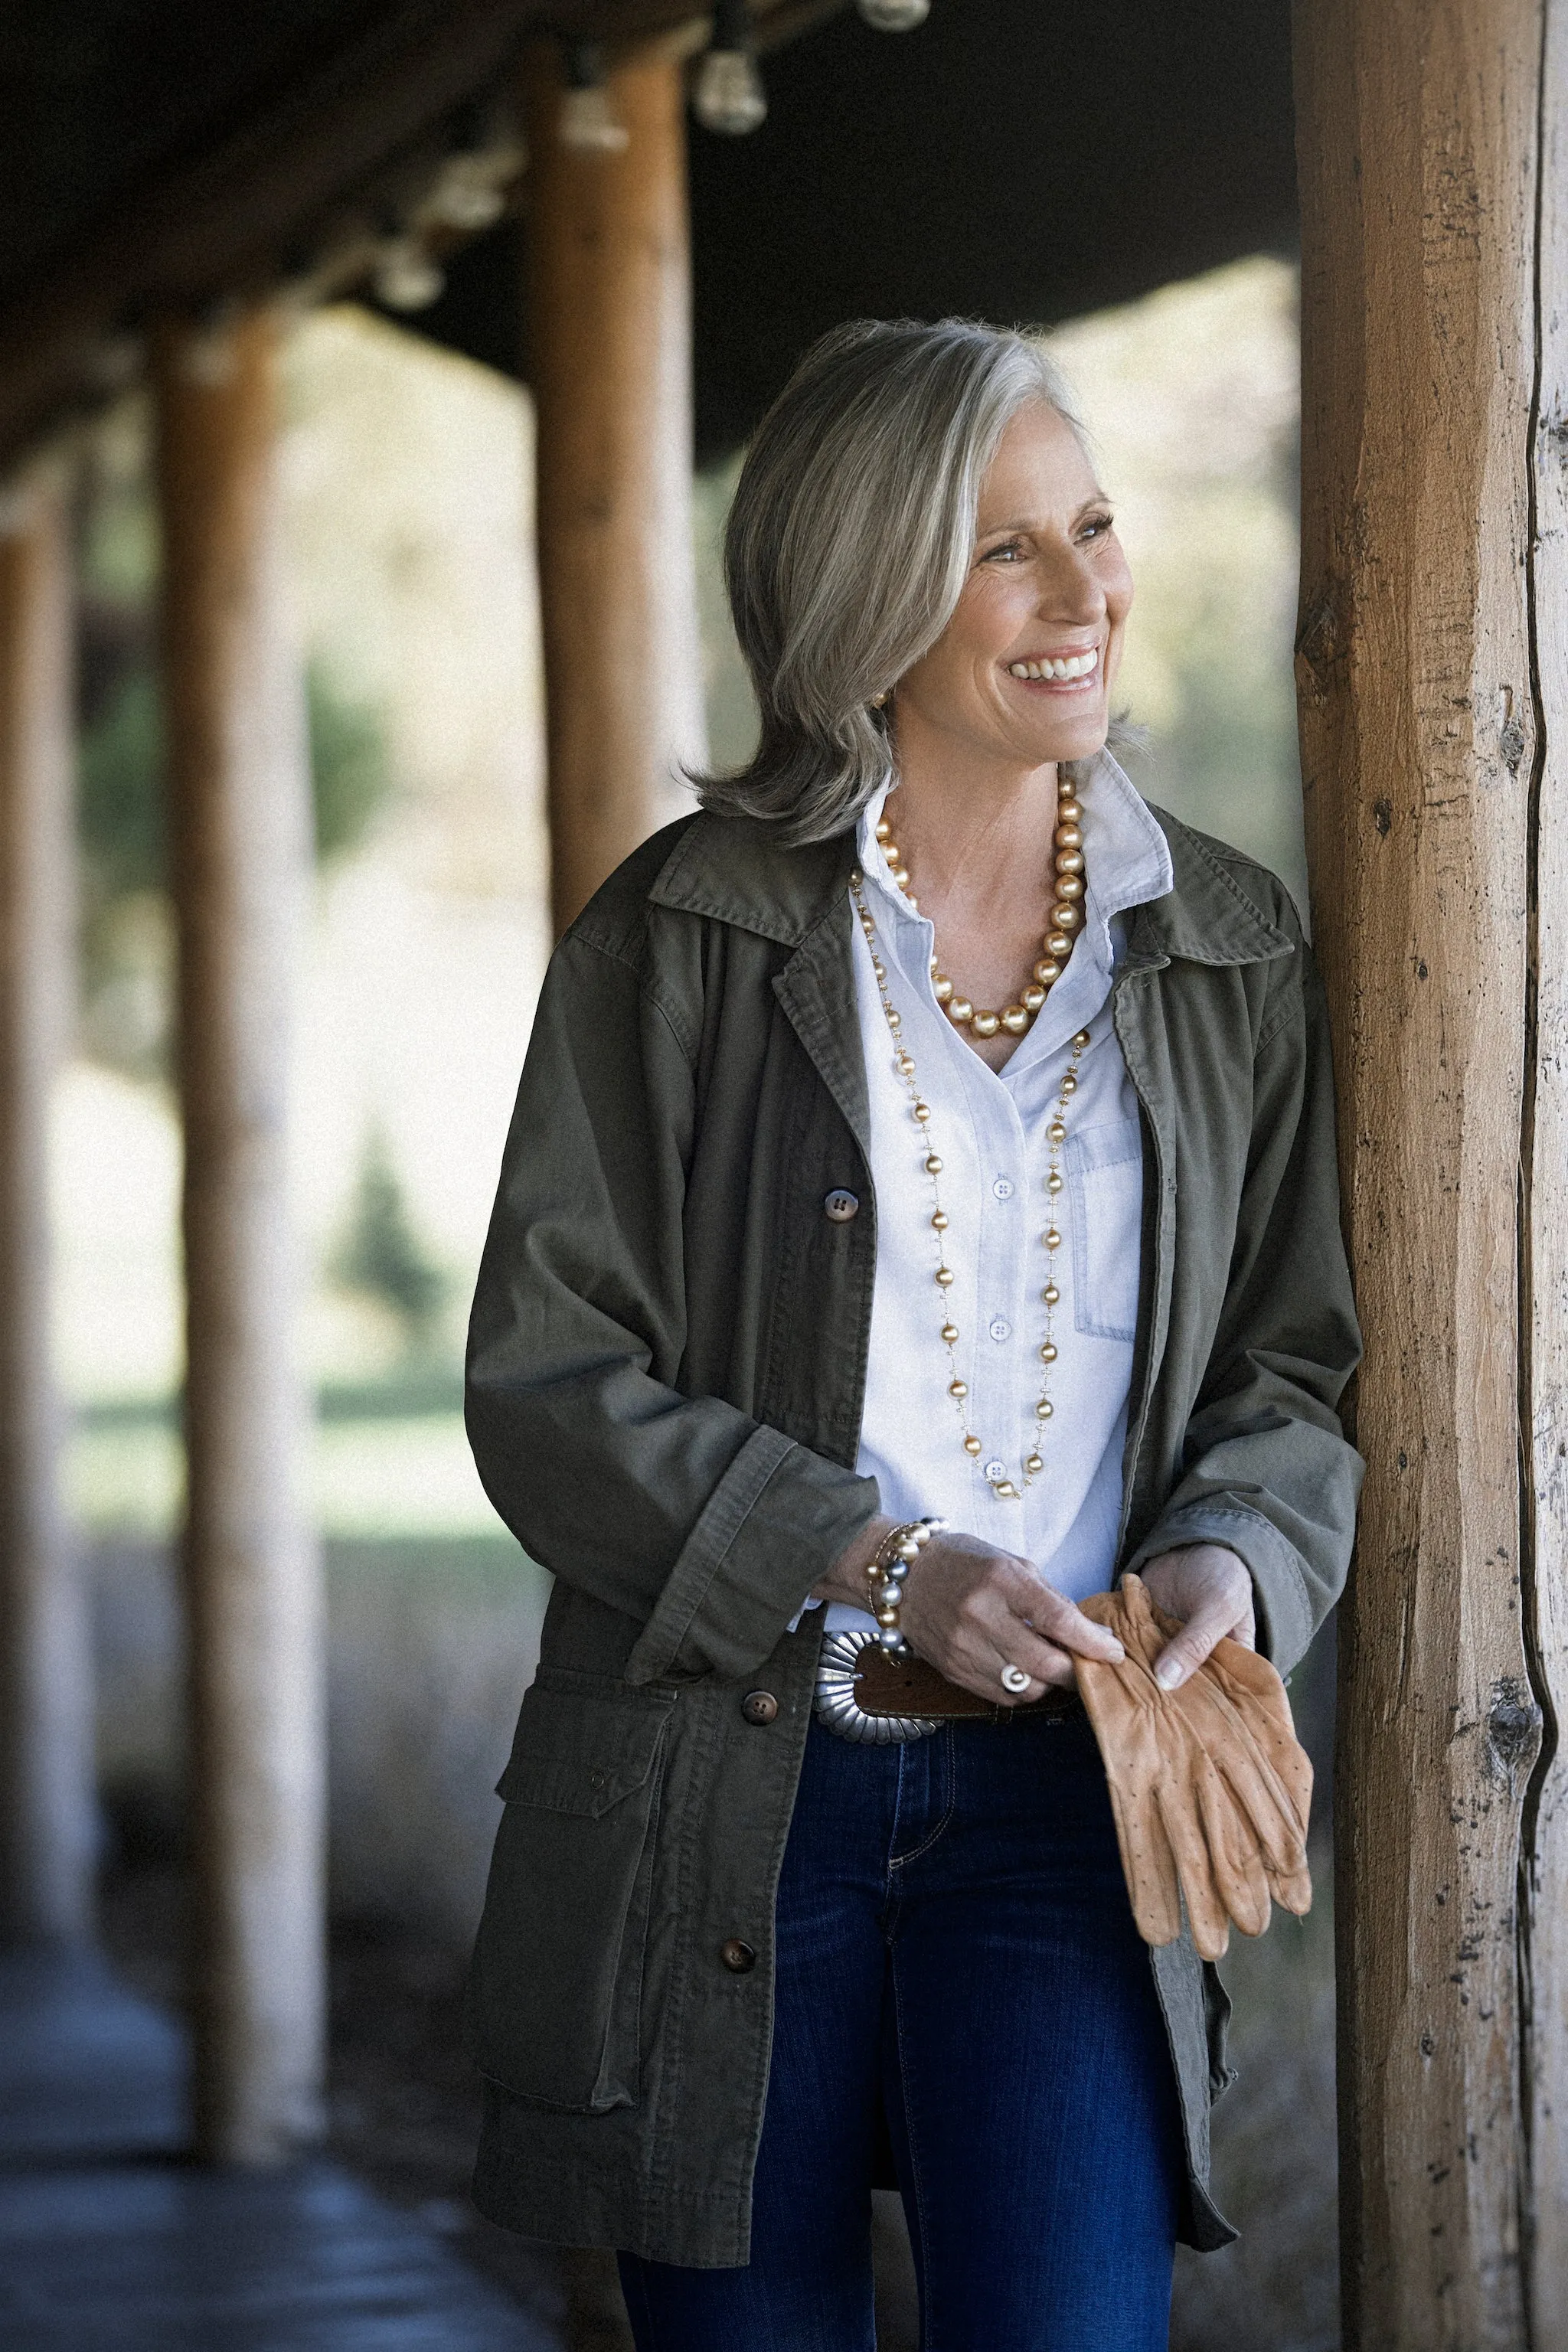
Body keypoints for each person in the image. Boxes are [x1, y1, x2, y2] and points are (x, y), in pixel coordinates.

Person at [464, 318, 1362, 2351]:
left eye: (1097, 528)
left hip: (1069, 1809)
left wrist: (1236, 1548)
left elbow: (1294, 1368)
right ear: (865, 595)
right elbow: (544, 1380)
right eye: (1004, 550)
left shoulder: (1230, 951)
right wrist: (870, 1569)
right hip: (721, 1802)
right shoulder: (680, 934)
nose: (1087, 596)